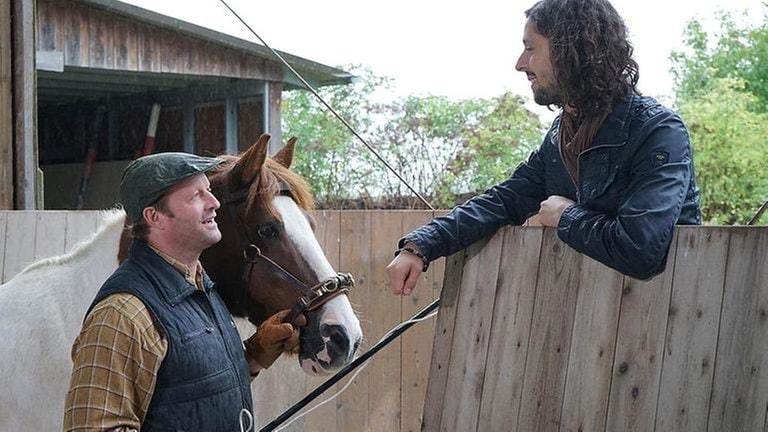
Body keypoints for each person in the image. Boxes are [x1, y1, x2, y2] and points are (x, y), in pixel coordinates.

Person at [388, 0, 702, 295]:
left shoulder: (657, 131)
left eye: (530, 49)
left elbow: (640, 249)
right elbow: (505, 199)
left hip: (668, 322)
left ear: (571, 51)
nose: (520, 64)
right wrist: (421, 246)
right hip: (600, 321)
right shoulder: (561, 135)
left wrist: (567, 216)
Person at [63, 153, 304, 431]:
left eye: (209, 191)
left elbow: (186, 393)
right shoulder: (121, 315)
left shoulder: (199, 285)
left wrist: (255, 352)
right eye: (196, 196)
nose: (214, 204)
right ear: (155, 217)